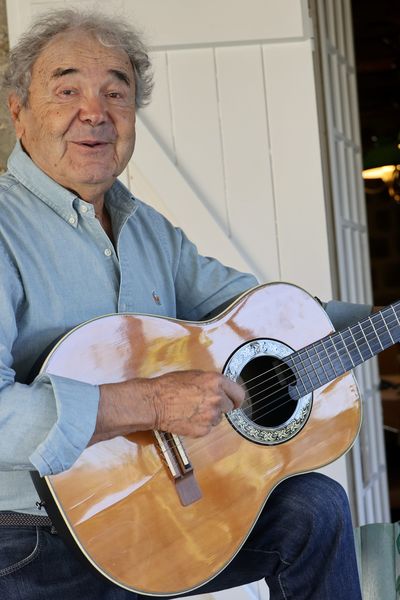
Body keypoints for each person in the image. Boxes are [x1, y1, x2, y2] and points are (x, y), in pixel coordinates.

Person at [0, 8, 369, 600]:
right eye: (66, 89)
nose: (94, 112)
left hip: (157, 514)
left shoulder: (151, 232)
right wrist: (147, 402)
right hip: (28, 546)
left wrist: (365, 324)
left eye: (115, 93)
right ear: (18, 111)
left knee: (314, 507)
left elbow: (267, 315)